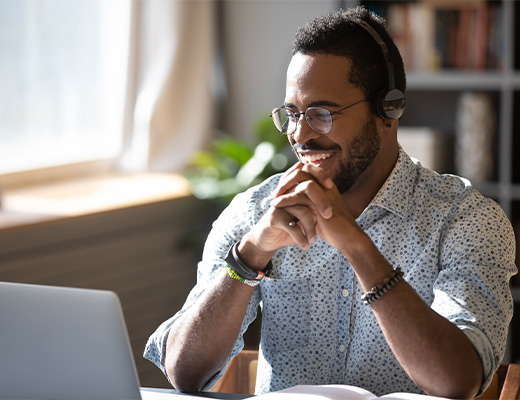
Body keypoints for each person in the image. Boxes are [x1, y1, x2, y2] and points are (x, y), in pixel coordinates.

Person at [144, 6, 517, 399]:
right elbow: (184, 374)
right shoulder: (256, 212)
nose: (300, 135)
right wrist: (250, 255)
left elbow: (457, 381)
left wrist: (357, 246)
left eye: (322, 113)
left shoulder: (468, 220)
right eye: (291, 113)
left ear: (388, 109)